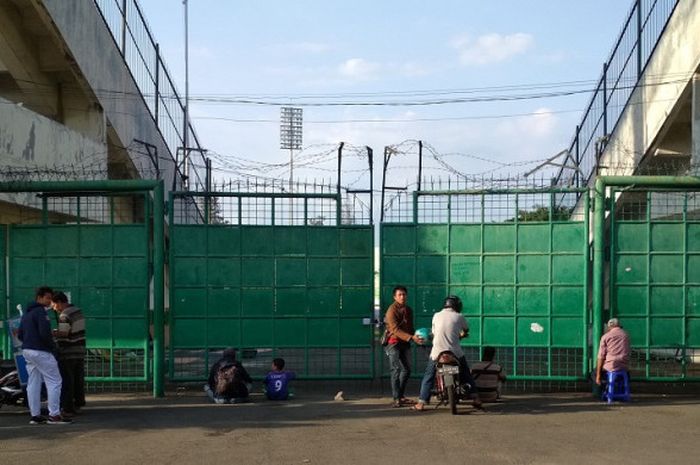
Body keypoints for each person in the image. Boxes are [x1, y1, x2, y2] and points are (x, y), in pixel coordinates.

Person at [413, 295, 481, 411]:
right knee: (465, 372)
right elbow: (465, 329)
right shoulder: (459, 316)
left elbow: (434, 333)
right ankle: (476, 398)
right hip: (455, 352)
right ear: (457, 305)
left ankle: (421, 403)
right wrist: (462, 334)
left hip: (437, 352)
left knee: (428, 375)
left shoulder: (436, 315)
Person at [17, 286, 72, 424]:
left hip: (27, 351)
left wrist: (30, 342)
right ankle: (54, 415)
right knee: (55, 381)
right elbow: (45, 333)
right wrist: (53, 348)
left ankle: (35, 415)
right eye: (47, 298)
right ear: (39, 298)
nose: (49, 301)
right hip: (41, 351)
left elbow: (20, 334)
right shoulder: (41, 312)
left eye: (50, 298)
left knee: (33, 382)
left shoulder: (27, 314)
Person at [384, 285, 424, 407]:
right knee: (395, 369)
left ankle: (400, 396)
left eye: (404, 294)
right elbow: (395, 329)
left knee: (406, 370)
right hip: (393, 343)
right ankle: (396, 398)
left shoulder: (409, 310)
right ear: (394, 297)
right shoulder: (391, 310)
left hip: (404, 343)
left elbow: (410, 328)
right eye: (399, 295)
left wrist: (416, 338)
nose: (402, 297)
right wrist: (411, 337)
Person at [50, 291, 86, 417]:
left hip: (68, 352)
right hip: (79, 350)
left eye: (54, 305)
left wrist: (53, 332)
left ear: (59, 302)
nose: (53, 308)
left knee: (67, 381)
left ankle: (68, 408)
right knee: (78, 380)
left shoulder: (64, 315)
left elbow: (64, 333)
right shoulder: (78, 311)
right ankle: (78, 404)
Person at [595, 318, 631, 386]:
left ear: (609, 327)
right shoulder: (626, 335)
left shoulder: (605, 337)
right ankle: (620, 389)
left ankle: (604, 390)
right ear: (619, 325)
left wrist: (598, 376)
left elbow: (601, 356)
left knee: (593, 373)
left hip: (610, 367)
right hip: (624, 367)